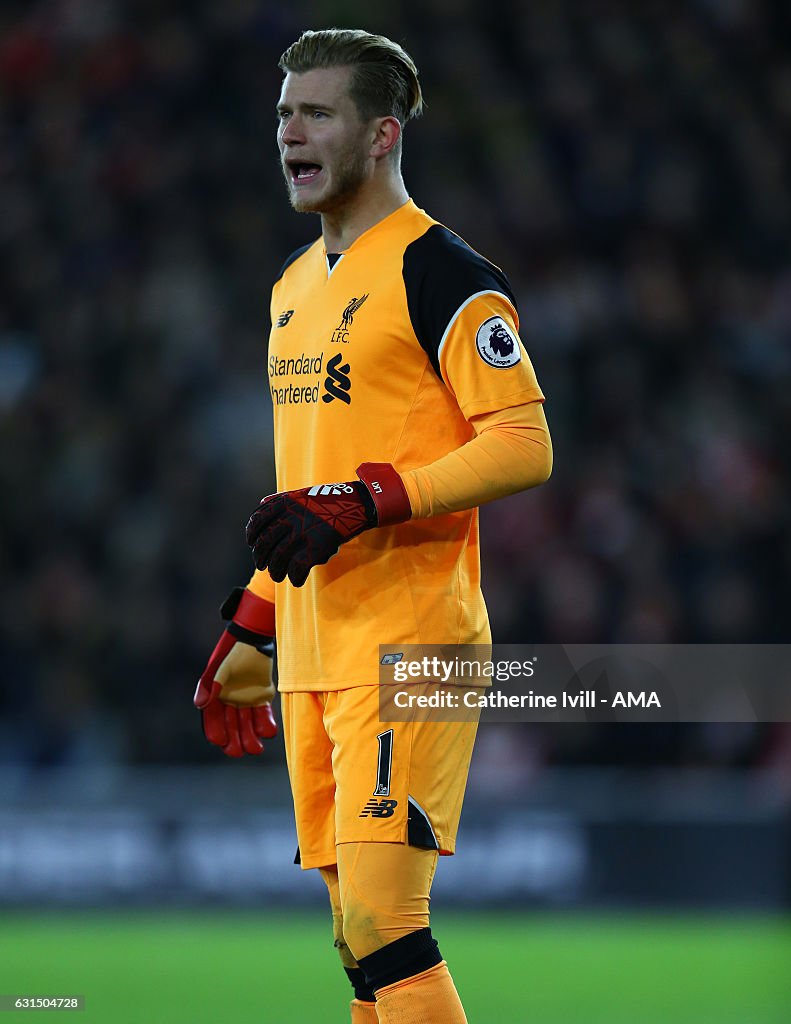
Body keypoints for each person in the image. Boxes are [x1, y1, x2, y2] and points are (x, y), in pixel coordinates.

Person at [194, 28, 552, 1024]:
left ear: (381, 135)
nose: (289, 133)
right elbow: (303, 493)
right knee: (358, 945)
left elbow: (524, 444)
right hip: (316, 649)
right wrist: (254, 619)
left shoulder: (441, 271)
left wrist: (369, 499)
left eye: (316, 113)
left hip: (411, 641)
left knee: (385, 922)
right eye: (282, 114)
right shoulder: (290, 288)